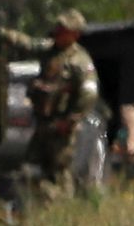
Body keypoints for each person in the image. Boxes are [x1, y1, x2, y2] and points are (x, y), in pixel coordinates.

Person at [27, 12, 100, 189]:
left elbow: (89, 93)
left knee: (59, 170)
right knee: (35, 169)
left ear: (74, 34)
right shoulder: (51, 51)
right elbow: (26, 43)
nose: (57, 32)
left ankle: (62, 202)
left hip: (61, 127)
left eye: (63, 30)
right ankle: (40, 201)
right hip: (44, 123)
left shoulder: (80, 61)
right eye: (58, 28)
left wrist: (70, 120)